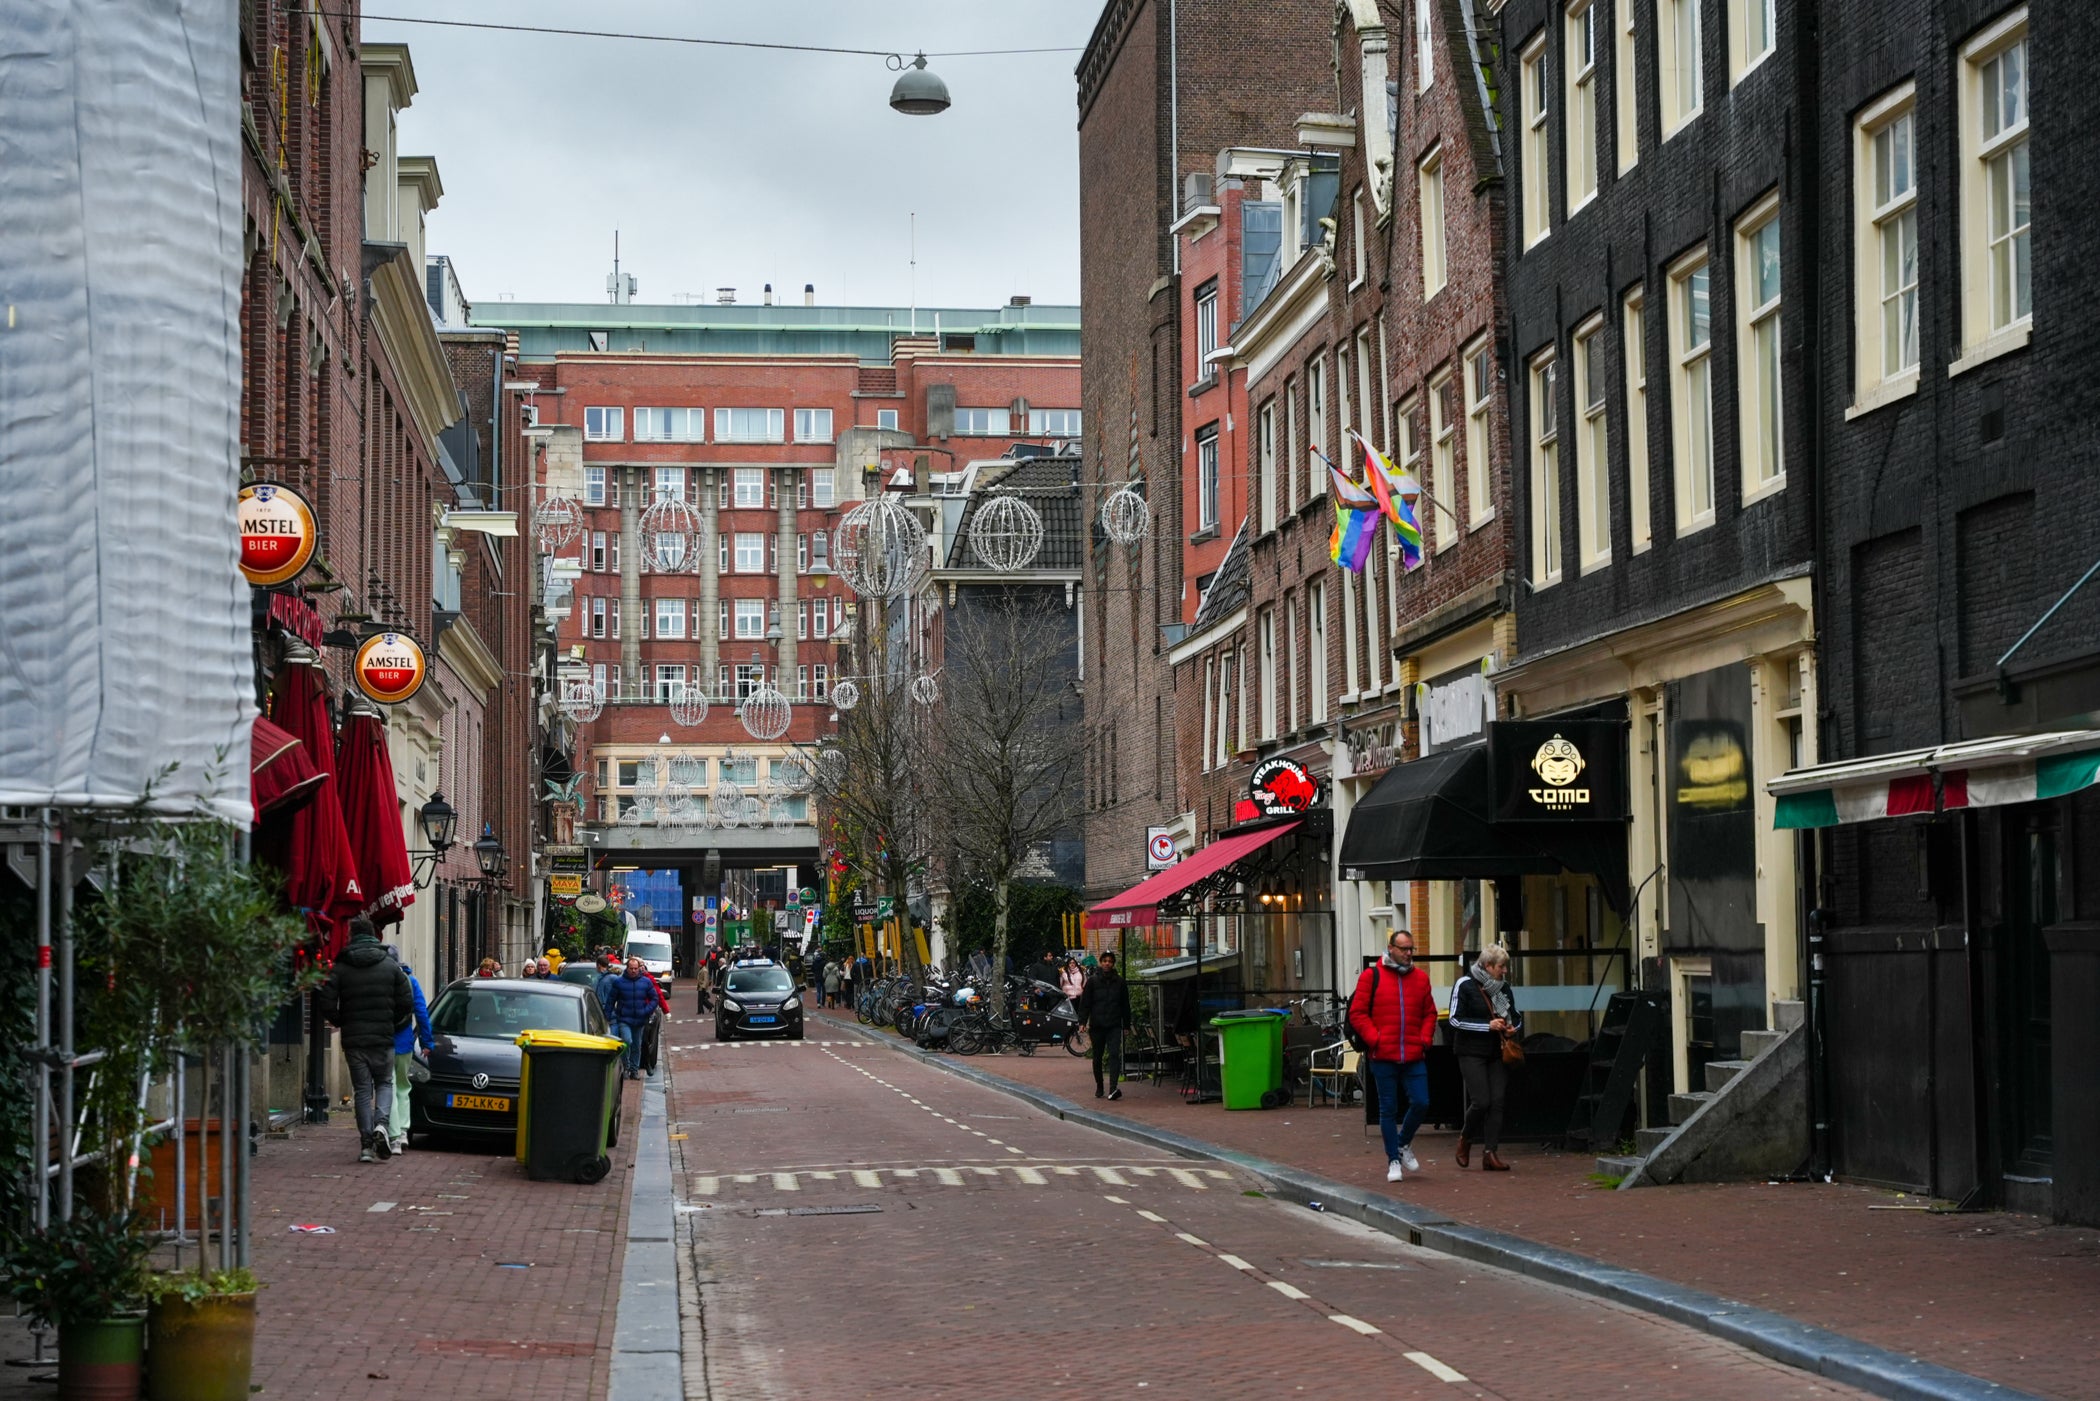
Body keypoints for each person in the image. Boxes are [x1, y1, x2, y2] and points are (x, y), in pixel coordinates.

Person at [316, 917, 412, 1163]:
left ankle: (367, 1145)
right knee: (384, 1085)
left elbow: (325, 1001)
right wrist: (393, 1024)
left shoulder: (341, 967)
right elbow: (406, 1002)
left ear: (351, 937)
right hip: (383, 1039)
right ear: (374, 936)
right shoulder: (391, 967)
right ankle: (382, 1126)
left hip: (354, 1040)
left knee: (361, 1090)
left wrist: (341, 1021)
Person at [1347, 928, 1437, 1184]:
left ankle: (1403, 1143)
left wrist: (1425, 1038)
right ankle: (1393, 1160)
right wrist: (1375, 1039)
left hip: (1413, 1053)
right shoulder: (1370, 976)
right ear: (1391, 949)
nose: (1409, 954)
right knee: (1388, 1109)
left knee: (1422, 1102)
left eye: (1411, 949)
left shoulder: (1420, 978)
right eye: (1404, 949)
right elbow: (1357, 1013)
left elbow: (1429, 1013)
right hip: (1383, 1055)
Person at [1449, 943, 1522, 1172]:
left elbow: (1516, 1016)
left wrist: (1512, 1028)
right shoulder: (1465, 985)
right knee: (1481, 1101)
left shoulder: (1504, 988)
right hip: (1471, 1051)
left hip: (1497, 1051)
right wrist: (1486, 1026)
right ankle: (1465, 1139)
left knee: (1498, 1101)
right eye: (1501, 967)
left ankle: (1490, 1152)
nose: (1505, 971)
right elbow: (1454, 1019)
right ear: (1488, 966)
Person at [386, 950, 435, 1156]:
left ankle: (394, 1136)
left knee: (388, 1087)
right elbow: (422, 1013)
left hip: (384, 1042)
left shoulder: (382, 980)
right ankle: (404, 1131)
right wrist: (426, 1041)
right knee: (403, 1087)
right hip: (404, 1043)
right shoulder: (411, 981)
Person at [1074, 951, 1132, 1100]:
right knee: (1097, 1057)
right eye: (1105, 961)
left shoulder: (1120, 982)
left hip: (1114, 1024)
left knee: (1114, 1054)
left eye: (1110, 961)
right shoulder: (1093, 981)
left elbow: (1125, 1005)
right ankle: (1099, 1085)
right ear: (1101, 962)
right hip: (1097, 1025)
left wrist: (1126, 1025)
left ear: (1113, 964)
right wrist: (1082, 1022)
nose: (1107, 963)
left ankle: (1113, 1087)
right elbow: (1085, 1003)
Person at [603, 956, 660, 1079]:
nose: (633, 971)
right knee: (627, 1041)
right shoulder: (619, 982)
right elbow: (611, 1000)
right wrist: (606, 1016)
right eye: (631, 968)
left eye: (635, 968)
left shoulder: (646, 982)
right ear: (627, 968)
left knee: (637, 1045)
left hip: (640, 1020)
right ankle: (626, 1066)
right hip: (624, 1018)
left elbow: (655, 998)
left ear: (639, 968)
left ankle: (634, 1070)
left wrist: (646, 1011)